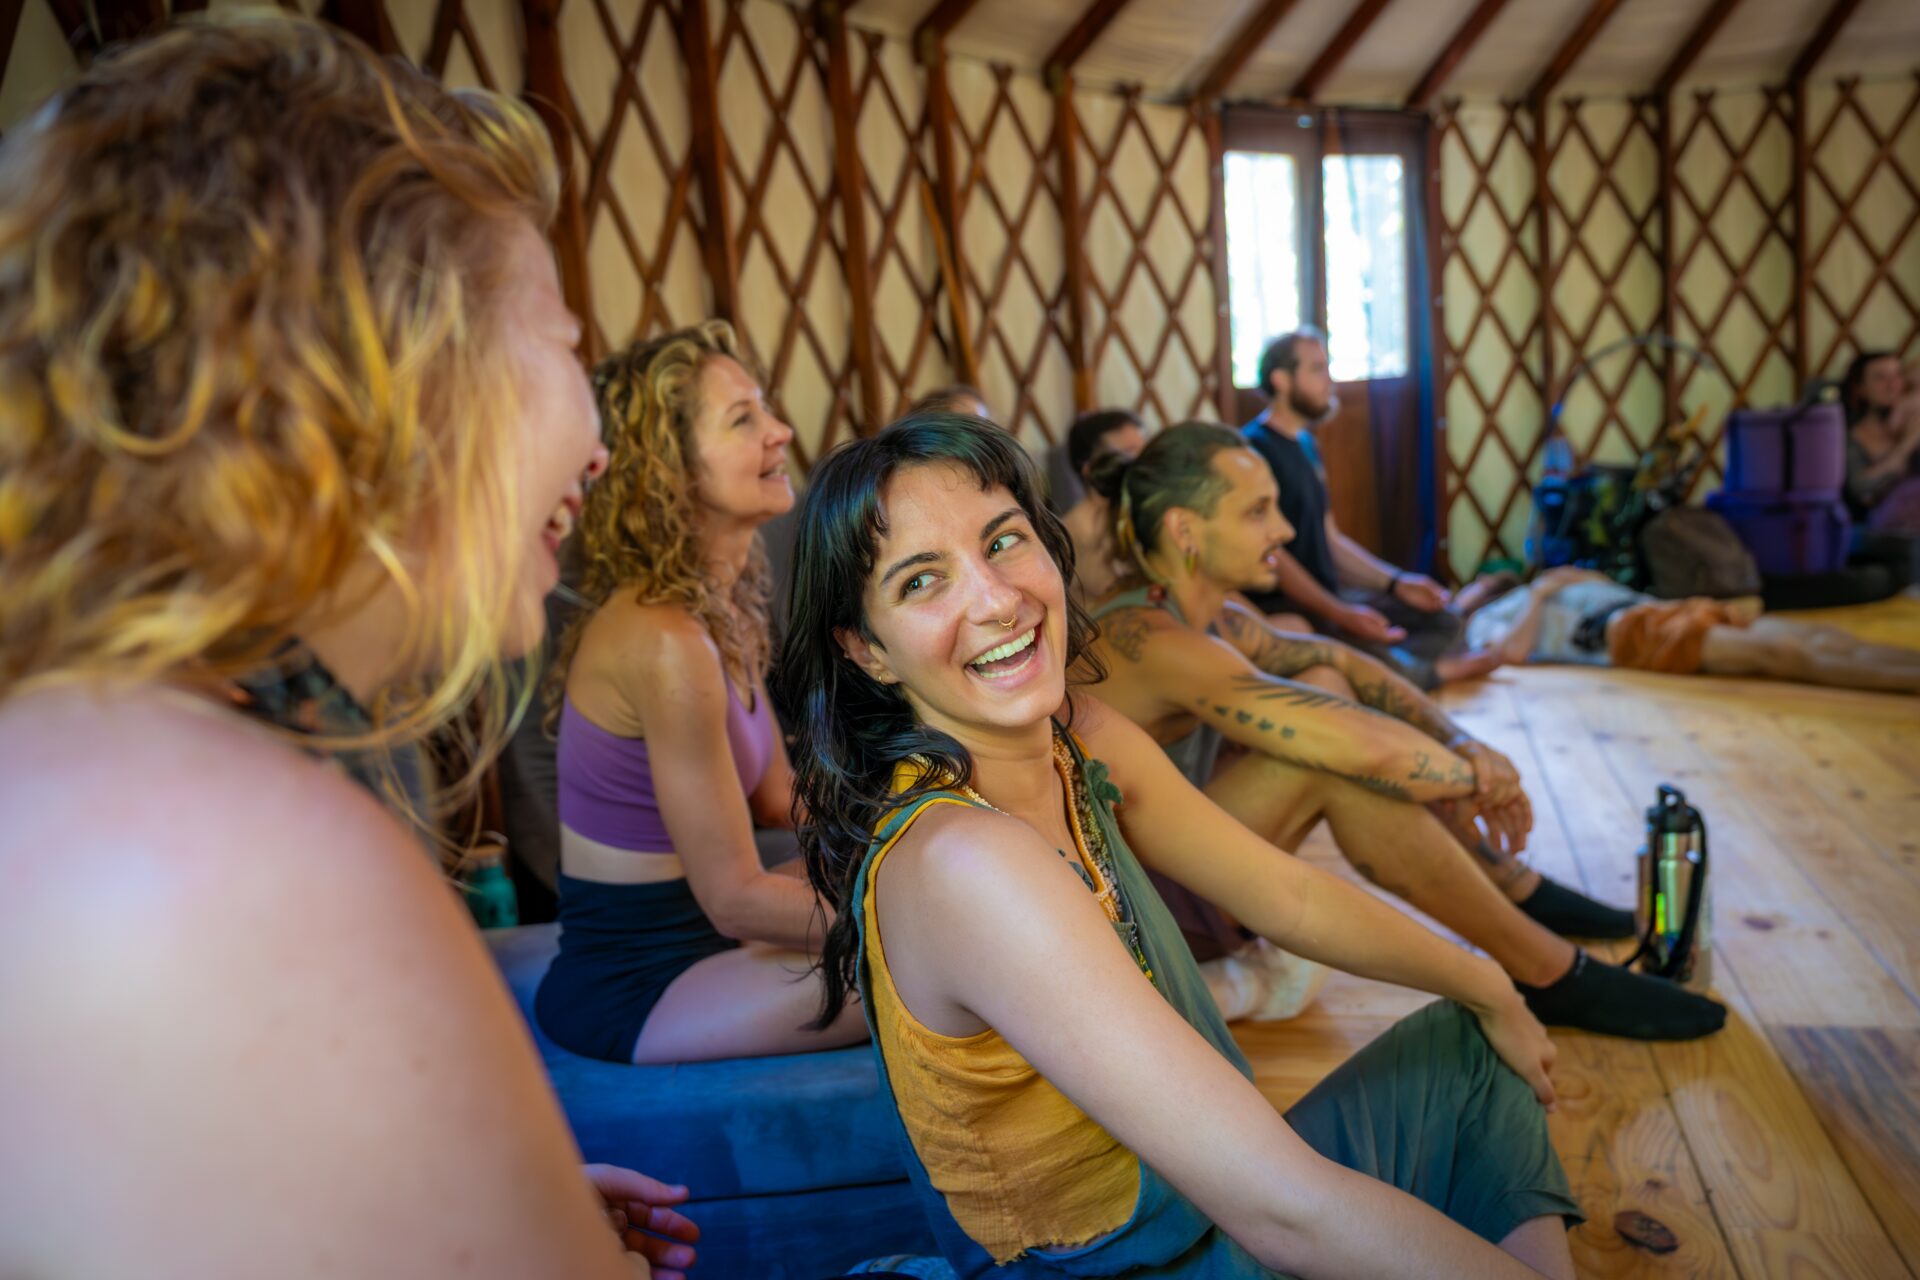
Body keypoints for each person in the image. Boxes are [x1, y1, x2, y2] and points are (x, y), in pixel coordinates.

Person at [0, 15, 696, 1276]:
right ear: (392, 367)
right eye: (562, 345)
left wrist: (460, 1187)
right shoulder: (234, 852)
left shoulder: (90, 749)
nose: (598, 447)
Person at [773, 413, 1582, 1279]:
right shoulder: (966, 862)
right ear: (868, 650)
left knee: (1476, 1047)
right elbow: (1288, 1213)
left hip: (1208, 1220)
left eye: (1003, 541)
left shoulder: (1079, 738)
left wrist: (1487, 980)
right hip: (1151, 1266)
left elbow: (1290, 897)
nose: (997, 599)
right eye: (923, 581)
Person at [1081, 424, 1727, 1041]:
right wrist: (1479, 779)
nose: (1285, 529)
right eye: (1257, 512)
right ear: (1185, 529)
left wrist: (1463, 744)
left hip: (1169, 868)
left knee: (1327, 683)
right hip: (1124, 915)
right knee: (1329, 765)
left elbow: (1340, 659)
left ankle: (1518, 895)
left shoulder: (1213, 614)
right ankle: (1547, 971)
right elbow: (1363, 749)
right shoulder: (1154, 642)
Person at [535, 322, 867, 1064]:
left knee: (940, 881)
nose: (781, 431)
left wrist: (915, 822)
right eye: (743, 419)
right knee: (945, 970)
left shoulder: (720, 609)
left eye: (765, 408)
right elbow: (736, 899)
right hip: (640, 980)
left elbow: (779, 801)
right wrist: (912, 921)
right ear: (670, 469)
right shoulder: (666, 641)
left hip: (712, 939)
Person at [1243, 329, 1503, 686]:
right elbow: (1273, 556)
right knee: (1348, 649)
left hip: (1332, 595)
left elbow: (1331, 540)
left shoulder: (1306, 445)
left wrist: (1396, 583)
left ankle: (1405, 669)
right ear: (1281, 380)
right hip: (1291, 604)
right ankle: (1420, 674)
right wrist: (1340, 613)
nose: (1329, 381)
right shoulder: (1254, 452)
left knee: (1443, 620)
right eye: (1317, 369)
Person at [1467, 567, 1920, 696]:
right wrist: (1540, 594)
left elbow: (1606, 582)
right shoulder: (1485, 620)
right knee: (1787, 655)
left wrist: (1562, 579)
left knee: (1820, 636)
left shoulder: (1534, 583)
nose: (1476, 584)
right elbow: (1511, 653)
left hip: (1661, 607)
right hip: (1631, 634)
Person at [1056, 408, 1150, 602]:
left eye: (1146, 450)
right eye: (1130, 452)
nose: (1145, 462)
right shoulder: (1077, 533)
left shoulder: (1142, 513)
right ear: (1090, 468)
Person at [1840, 350, 1920, 532]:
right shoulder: (1851, 439)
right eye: (1880, 378)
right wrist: (1906, 445)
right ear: (1860, 389)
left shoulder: (1913, 421)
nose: (1893, 385)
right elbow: (1860, 490)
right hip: (1884, 532)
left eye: (1898, 375)